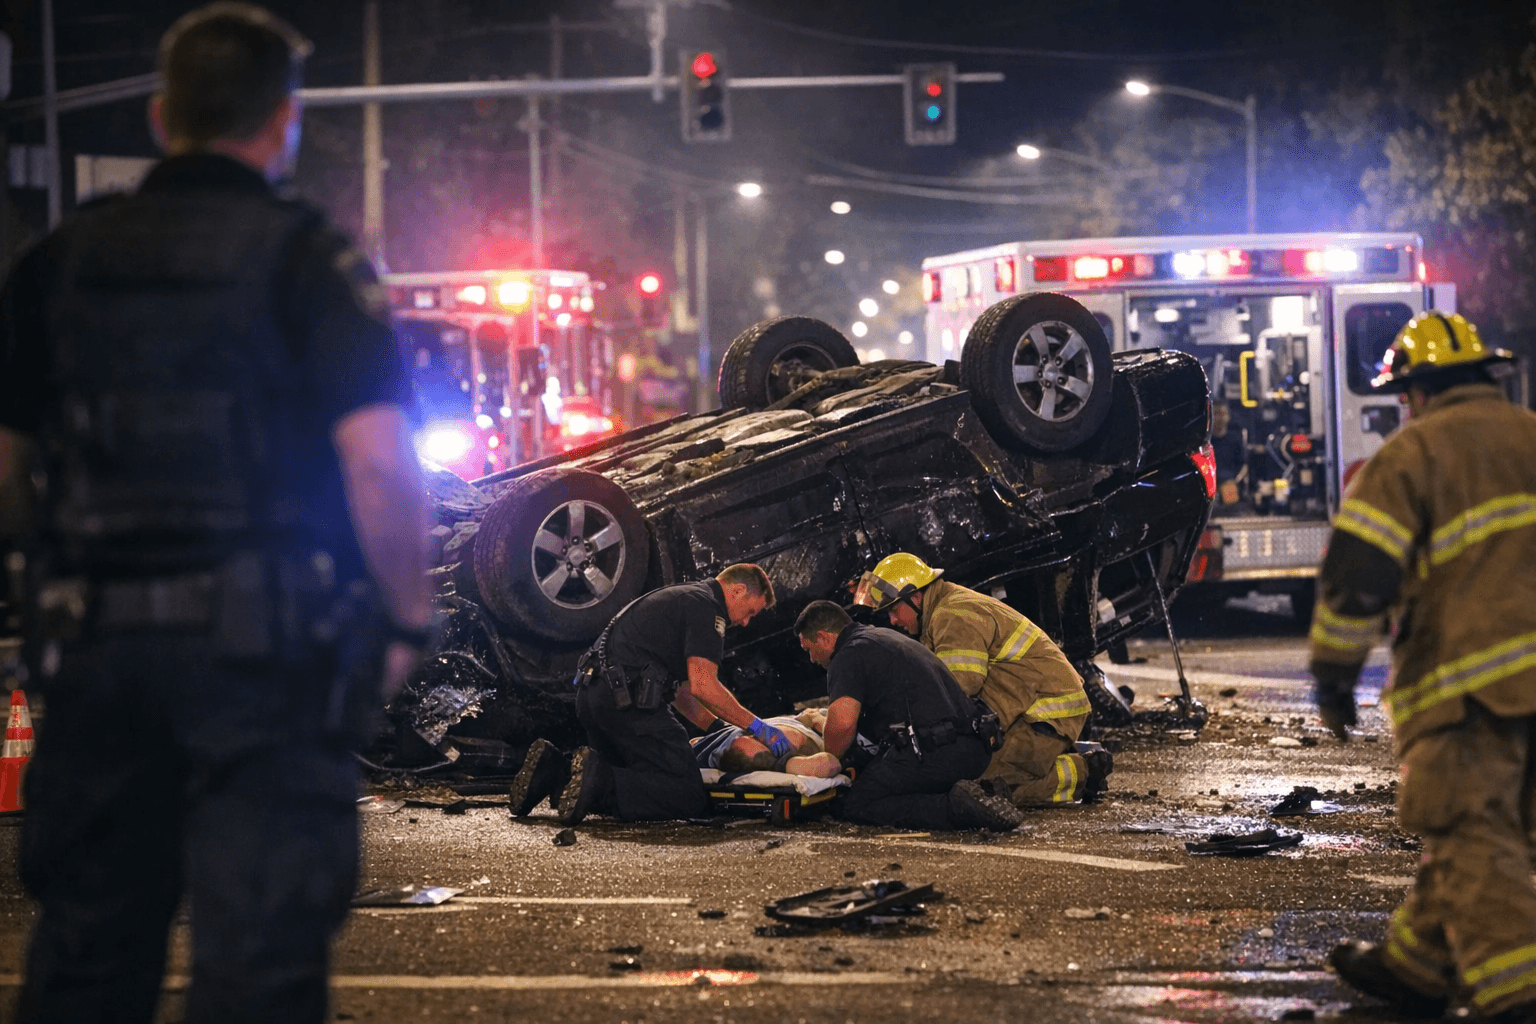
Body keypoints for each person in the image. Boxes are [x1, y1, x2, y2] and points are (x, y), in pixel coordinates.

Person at [0, 7, 437, 1022]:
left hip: (94, 654)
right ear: (283, 123)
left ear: (161, 118)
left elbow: (6, 473)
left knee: (86, 960)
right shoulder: (310, 267)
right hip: (265, 666)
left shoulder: (57, 263)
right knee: (259, 968)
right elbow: (381, 467)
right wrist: (406, 618)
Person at [1308, 312, 1536, 1022]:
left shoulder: (1414, 456)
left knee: (1470, 832)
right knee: (1493, 824)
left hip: (1474, 691)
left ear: (1420, 391)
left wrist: (1335, 675)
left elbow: (1359, 578)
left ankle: (1515, 991)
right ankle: (1413, 966)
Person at [511, 563, 793, 825]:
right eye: (750, 612)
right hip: (628, 702)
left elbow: (682, 691)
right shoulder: (707, 608)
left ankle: (553, 770)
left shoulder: (682, 596)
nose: (745, 622)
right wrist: (756, 725)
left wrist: (717, 728)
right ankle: (600, 779)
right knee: (685, 793)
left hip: (594, 698)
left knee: (635, 776)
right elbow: (703, 685)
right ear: (738, 590)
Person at [857, 553, 1110, 806]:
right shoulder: (943, 610)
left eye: (893, 609)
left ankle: (1082, 772)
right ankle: (1054, 757)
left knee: (980, 787)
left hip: (1047, 711)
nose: (892, 620)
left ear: (915, 597)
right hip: (1029, 707)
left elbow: (958, 688)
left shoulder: (952, 614)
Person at [794, 600, 1024, 832]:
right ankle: (988, 793)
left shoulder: (846, 656)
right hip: (975, 748)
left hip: (937, 753)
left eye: (808, 649)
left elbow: (842, 726)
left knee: (856, 803)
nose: (812, 659)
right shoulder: (882, 638)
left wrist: (828, 756)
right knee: (891, 777)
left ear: (823, 637)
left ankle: (956, 808)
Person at [692, 707, 841, 777]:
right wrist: (821, 723)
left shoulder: (715, 749)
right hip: (815, 726)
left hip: (722, 733)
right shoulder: (782, 756)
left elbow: (695, 741)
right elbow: (830, 764)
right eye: (757, 740)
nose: (753, 735)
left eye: (751, 735)